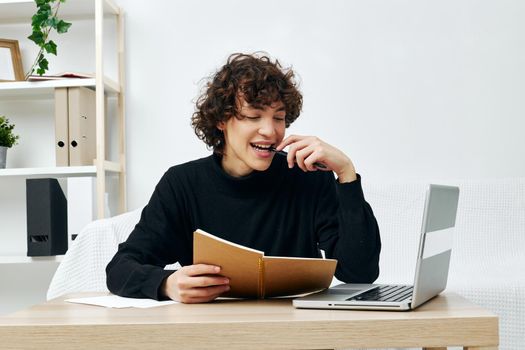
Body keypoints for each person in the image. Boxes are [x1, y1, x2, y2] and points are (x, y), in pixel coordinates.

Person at [106, 53, 381, 303]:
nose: (270, 131)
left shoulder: (307, 176)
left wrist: (346, 173)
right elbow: (120, 268)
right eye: (253, 116)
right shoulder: (182, 184)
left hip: (300, 332)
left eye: (279, 118)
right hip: (218, 334)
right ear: (221, 120)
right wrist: (166, 283)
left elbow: (360, 273)